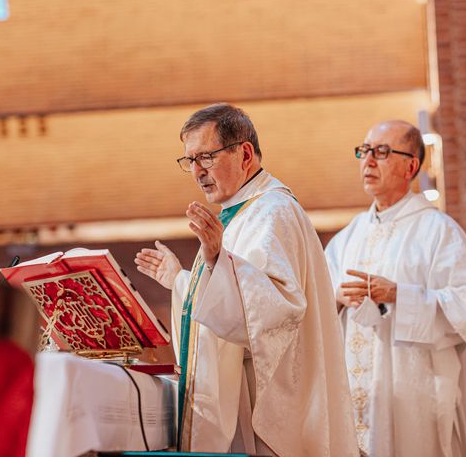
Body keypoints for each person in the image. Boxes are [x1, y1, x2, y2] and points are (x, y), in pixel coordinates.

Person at [134, 103, 359, 457]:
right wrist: (180, 280)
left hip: (269, 404)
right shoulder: (244, 214)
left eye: (205, 157)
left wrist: (216, 261)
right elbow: (230, 299)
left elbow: (275, 314)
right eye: (189, 161)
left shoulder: (272, 213)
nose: (196, 172)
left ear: (245, 153)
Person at [325, 120, 466, 457]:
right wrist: (336, 298)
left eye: (380, 152)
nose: (367, 161)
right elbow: (320, 301)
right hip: (355, 395)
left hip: (414, 395)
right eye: (364, 151)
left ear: (411, 165)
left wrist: (400, 295)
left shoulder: (438, 232)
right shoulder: (346, 238)